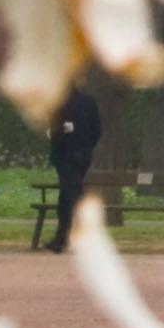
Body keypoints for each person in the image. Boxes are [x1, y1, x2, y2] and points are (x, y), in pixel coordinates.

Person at [45, 83, 106, 247]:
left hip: (65, 155)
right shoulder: (89, 101)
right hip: (83, 155)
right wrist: (87, 147)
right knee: (65, 198)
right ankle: (61, 239)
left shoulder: (59, 101)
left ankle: (87, 237)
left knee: (73, 197)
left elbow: (56, 129)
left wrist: (53, 135)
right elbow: (97, 130)